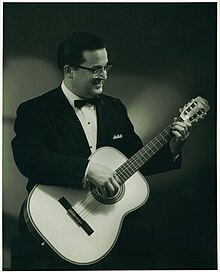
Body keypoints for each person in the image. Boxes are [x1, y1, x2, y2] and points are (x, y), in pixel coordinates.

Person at [11, 32, 191, 270]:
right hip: (54, 217)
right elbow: (30, 159)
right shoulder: (35, 110)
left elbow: (135, 160)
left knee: (144, 236)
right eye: (96, 69)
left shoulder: (115, 108)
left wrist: (172, 148)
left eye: (106, 67)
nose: (104, 76)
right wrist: (88, 170)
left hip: (104, 218)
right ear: (69, 71)